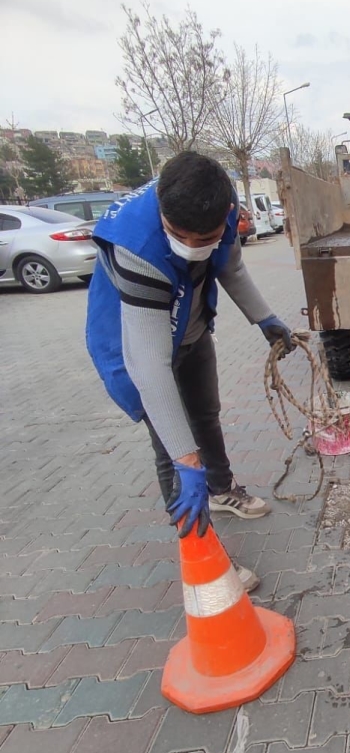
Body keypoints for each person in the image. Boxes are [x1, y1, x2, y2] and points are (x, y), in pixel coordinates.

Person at [86, 151, 294, 591]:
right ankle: (204, 556)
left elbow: (231, 267)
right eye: (180, 237)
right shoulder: (136, 248)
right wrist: (187, 460)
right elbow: (151, 365)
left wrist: (265, 318)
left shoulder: (226, 204)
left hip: (192, 330)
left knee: (206, 414)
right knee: (172, 451)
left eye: (206, 238)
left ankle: (222, 490)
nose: (193, 247)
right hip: (138, 348)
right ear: (163, 214)